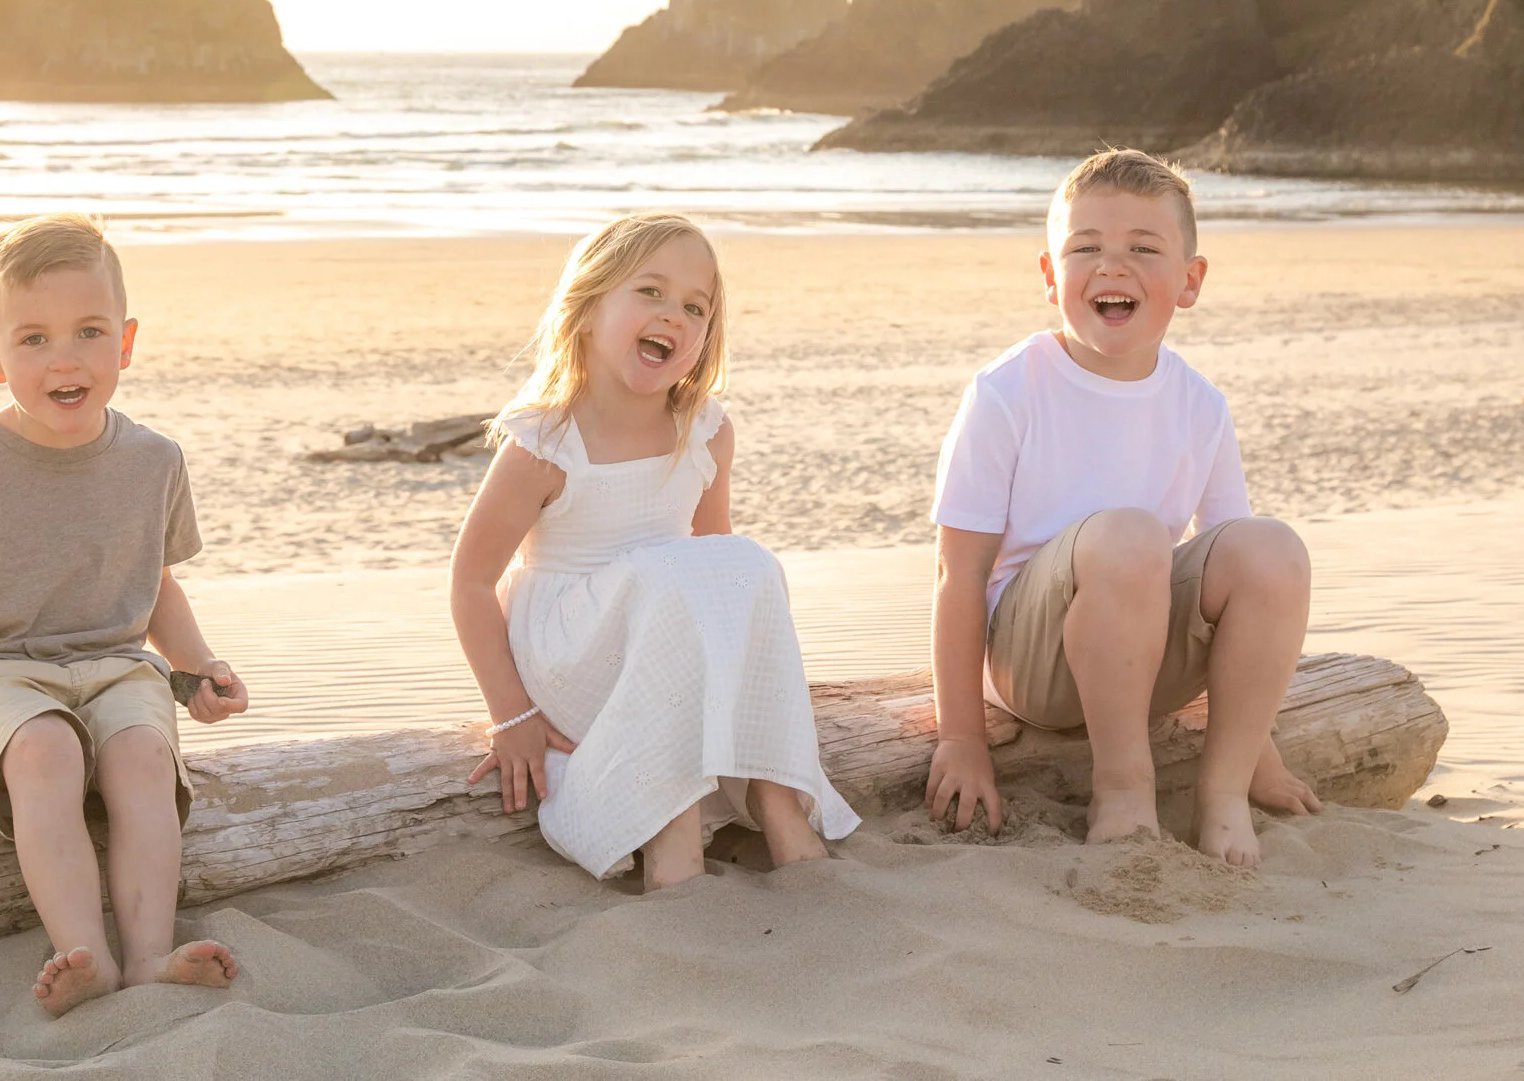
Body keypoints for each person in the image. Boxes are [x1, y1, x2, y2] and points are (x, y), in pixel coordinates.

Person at [0, 211, 250, 1014]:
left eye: (89, 331)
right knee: (45, 749)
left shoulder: (154, 459)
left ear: (127, 340)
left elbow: (156, 587)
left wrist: (199, 671)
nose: (66, 358)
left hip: (117, 665)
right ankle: (84, 950)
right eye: (34, 339)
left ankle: (150, 953)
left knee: (144, 757)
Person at [925, 150, 1321, 867]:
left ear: (1189, 280)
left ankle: (1223, 793)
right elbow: (959, 573)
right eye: (1086, 249)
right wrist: (961, 737)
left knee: (1272, 548)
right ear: (1050, 276)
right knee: (1132, 535)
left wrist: (1258, 747)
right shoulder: (1008, 391)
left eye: (1143, 248)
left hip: (1143, 654)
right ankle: (1125, 789)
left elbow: (1237, 582)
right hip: (1034, 661)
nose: (1112, 267)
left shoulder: (1199, 404)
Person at [449, 212, 859, 890]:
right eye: (651, 292)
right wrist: (511, 715)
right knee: (669, 578)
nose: (674, 314)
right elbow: (469, 581)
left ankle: (773, 796)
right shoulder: (546, 443)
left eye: (695, 306)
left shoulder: (704, 429)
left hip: (660, 628)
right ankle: (672, 838)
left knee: (749, 563)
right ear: (586, 310)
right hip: (570, 648)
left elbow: (719, 565)